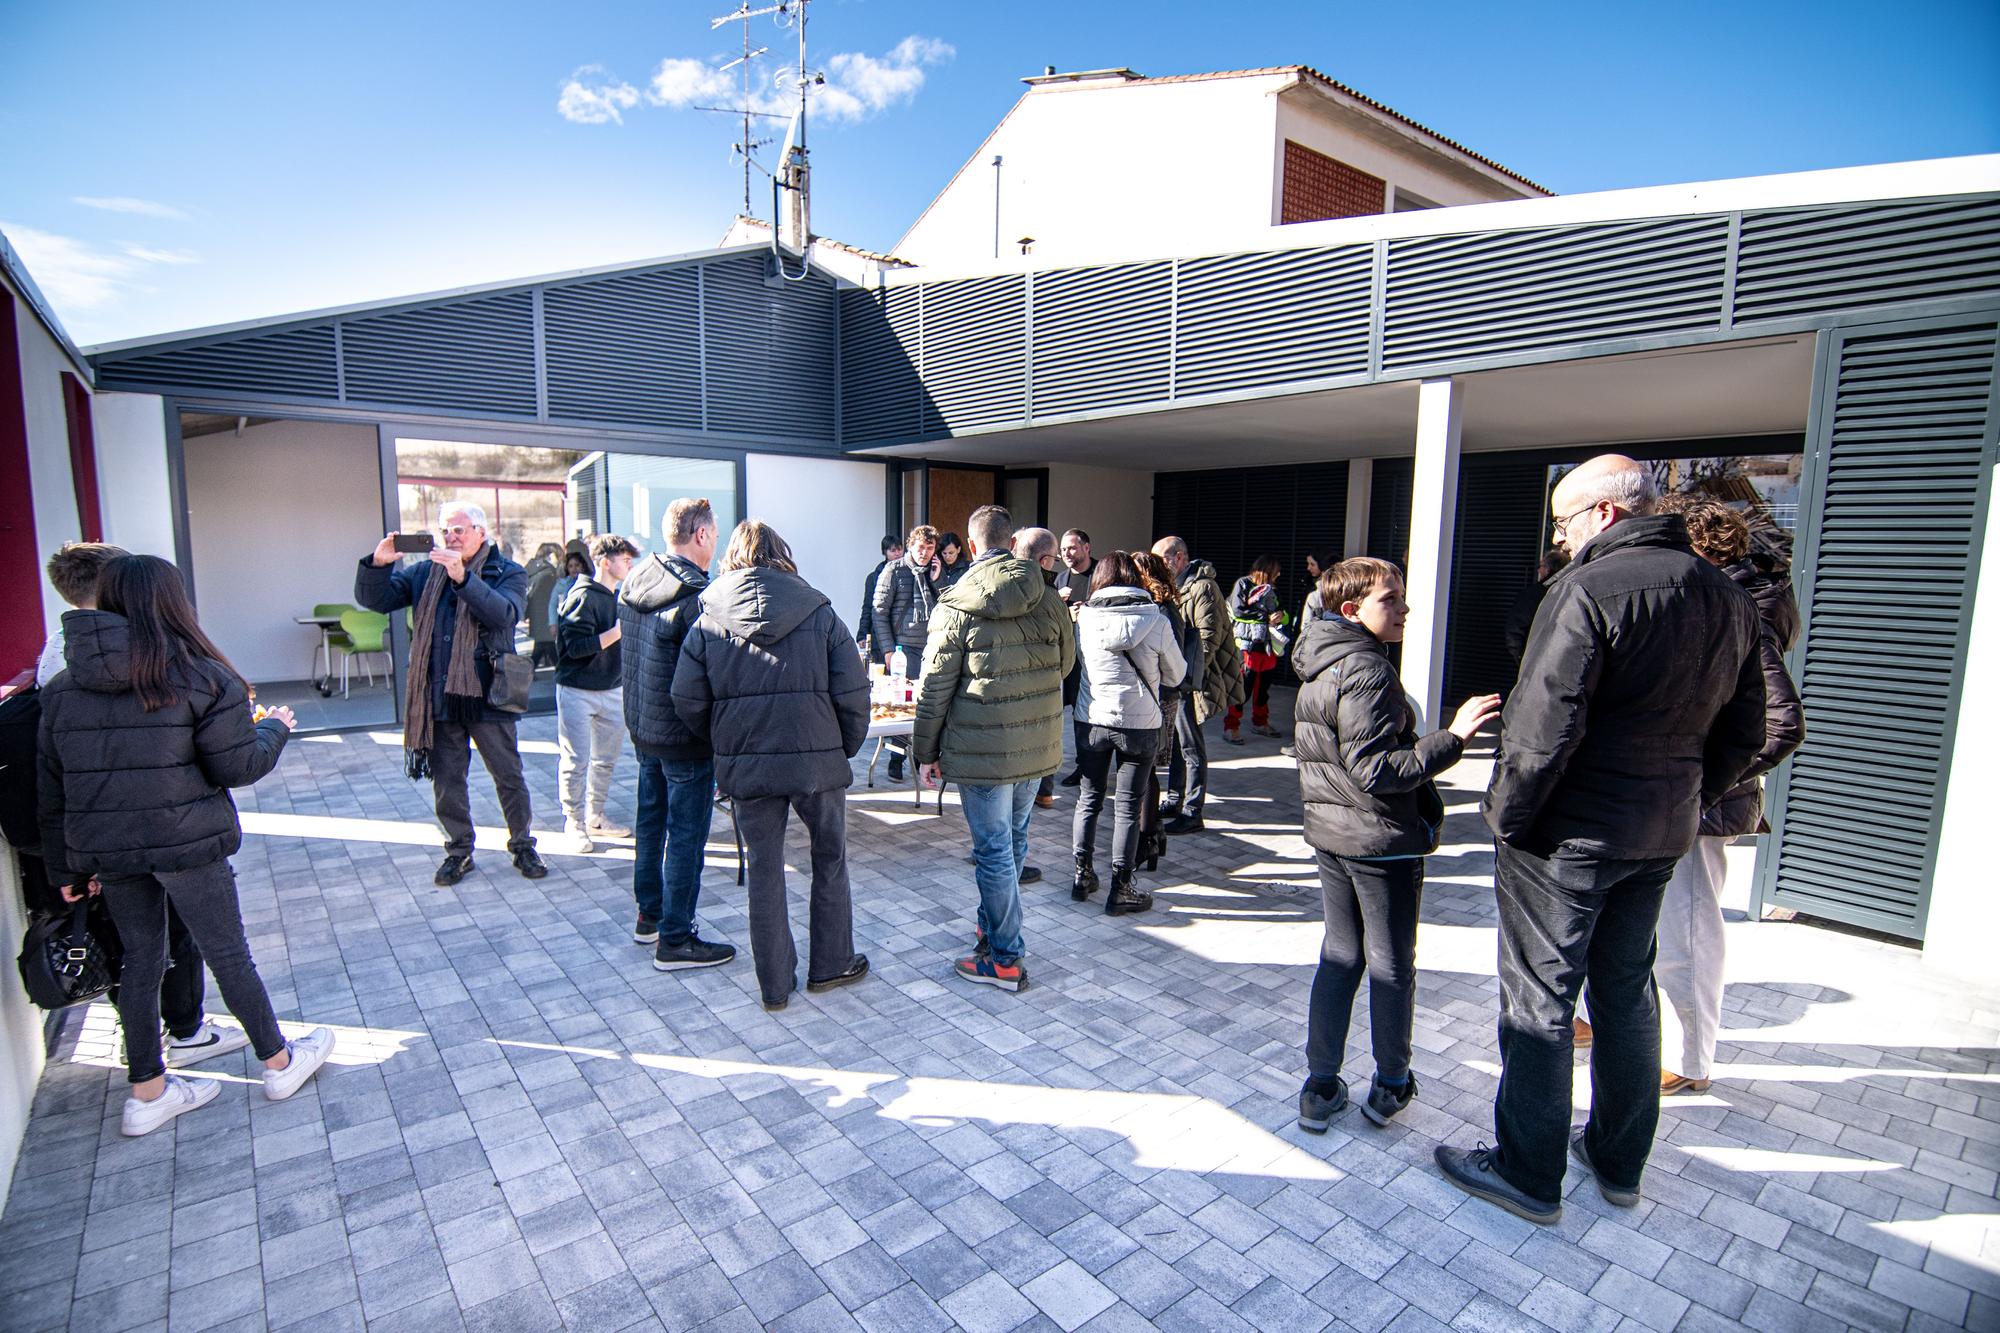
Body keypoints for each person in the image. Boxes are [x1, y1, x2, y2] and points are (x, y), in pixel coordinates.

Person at [1435, 454, 1765, 1226]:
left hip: (1567, 838)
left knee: (1540, 999)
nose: (1559, 537)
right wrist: (1685, 794)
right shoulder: (1727, 595)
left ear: (1606, 516)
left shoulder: (1585, 588)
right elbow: (1746, 731)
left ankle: (1527, 1169)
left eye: (1564, 521)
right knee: (1625, 992)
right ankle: (1617, 1161)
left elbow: (1541, 728)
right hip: (1659, 833)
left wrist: (1506, 817)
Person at [38, 554, 336, 1137]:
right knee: (228, 953)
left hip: (111, 851)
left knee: (141, 960)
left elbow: (52, 789)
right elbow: (238, 765)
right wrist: (274, 727)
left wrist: (64, 866)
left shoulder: (63, 687)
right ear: (170, 602)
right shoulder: (202, 676)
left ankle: (148, 1092)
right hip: (187, 844)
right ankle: (279, 1062)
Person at [1292, 557, 1500, 1133]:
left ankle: (1320, 1085)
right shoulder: (1367, 670)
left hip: (1335, 835)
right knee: (1387, 965)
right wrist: (1453, 738)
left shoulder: (1321, 661)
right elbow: (1376, 769)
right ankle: (1390, 1084)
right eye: (1392, 599)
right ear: (1351, 609)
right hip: (1378, 840)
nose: (1405, 608)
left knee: (1341, 957)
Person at [26, 543, 244, 1069]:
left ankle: (147, 1071)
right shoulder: (160, 664)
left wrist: (69, 862)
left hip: (108, 838)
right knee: (192, 948)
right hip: (171, 830)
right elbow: (216, 760)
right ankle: (205, 1039)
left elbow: (56, 777)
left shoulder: (61, 662)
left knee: (143, 953)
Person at [672, 521, 869, 1010]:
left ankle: (775, 985)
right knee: (830, 859)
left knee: (764, 870)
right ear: (784, 554)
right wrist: (841, 748)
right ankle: (832, 964)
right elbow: (854, 693)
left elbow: (686, 699)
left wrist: (726, 742)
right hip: (816, 762)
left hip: (750, 766)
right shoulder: (820, 612)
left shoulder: (707, 618)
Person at [1650, 494, 1804, 1095]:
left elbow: (1782, 723)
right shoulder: (1715, 600)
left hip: (1698, 803)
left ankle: (1691, 1060)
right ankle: (1596, 1017)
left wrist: (1701, 785)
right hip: (1674, 795)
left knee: (1687, 929)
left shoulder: (1738, 609)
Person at [913, 504, 1074, 992]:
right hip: (1034, 743)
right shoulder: (1049, 600)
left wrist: (924, 751)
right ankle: (993, 930)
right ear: (1009, 540)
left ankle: (1005, 957)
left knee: (994, 851)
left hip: (983, 749)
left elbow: (934, 687)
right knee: (1014, 841)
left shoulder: (956, 603)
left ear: (973, 543)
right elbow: (1066, 665)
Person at [358, 501, 546, 886]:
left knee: (508, 774)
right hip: (441, 693)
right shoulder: (426, 572)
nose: (451, 537)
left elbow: (505, 616)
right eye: (446, 530)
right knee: (447, 779)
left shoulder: (506, 571)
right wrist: (377, 565)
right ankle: (459, 851)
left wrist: (464, 580)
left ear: (481, 531)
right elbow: (376, 600)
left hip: (490, 691)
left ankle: (523, 844)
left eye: (459, 530)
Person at [619, 498, 734, 970]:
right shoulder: (694, 596)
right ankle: (677, 937)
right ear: (702, 535)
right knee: (686, 836)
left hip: (645, 728)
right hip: (684, 738)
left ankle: (650, 915)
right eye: (715, 533)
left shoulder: (636, 579)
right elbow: (708, 678)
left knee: (651, 825)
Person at [1070, 552, 1186, 915]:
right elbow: (1176, 675)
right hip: (1140, 723)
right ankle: (1121, 888)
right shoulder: (1156, 618)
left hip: (1091, 719)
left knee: (1088, 798)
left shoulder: (1083, 617)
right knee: (1127, 806)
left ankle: (1081, 875)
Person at [1150, 537, 1244, 834]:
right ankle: (1175, 799)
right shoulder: (1177, 585)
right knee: (1177, 741)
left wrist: (1179, 674)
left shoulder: (1203, 587)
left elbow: (1207, 638)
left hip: (1191, 679)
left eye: (1160, 559)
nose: (1156, 566)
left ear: (1178, 558)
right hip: (1179, 677)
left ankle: (1193, 810)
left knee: (1191, 745)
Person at [555, 534, 637, 852]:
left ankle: (595, 815)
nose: (630, 565)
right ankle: (573, 823)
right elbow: (574, 649)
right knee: (575, 760)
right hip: (578, 691)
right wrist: (615, 633)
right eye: (625, 559)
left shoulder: (619, 596)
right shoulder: (582, 597)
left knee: (605, 759)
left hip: (611, 689)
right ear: (606, 562)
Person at [1131, 550, 1198, 874]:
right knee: (1148, 769)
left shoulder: (1162, 611)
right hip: (1155, 694)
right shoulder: (1158, 607)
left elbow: (1171, 664)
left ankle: (1148, 838)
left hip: (1161, 695)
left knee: (1149, 768)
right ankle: (1152, 834)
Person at [873, 524, 941, 781]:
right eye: (920, 547)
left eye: (930, 547)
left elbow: (947, 606)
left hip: (932, 647)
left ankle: (923, 757)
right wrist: (888, 650)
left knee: (929, 706)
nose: (924, 553)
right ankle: (896, 759)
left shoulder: (936, 572)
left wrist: (937, 580)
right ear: (911, 545)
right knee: (903, 705)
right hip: (903, 648)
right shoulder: (894, 570)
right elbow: (879, 612)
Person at [1015, 526, 1066, 814]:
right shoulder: (1051, 598)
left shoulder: (990, 587)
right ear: (1045, 561)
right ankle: (1044, 793)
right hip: (1041, 696)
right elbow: (1067, 659)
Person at [1224, 554, 1290, 743]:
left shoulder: (1273, 589)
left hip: (1268, 645)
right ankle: (1231, 726)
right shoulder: (1243, 584)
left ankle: (1260, 722)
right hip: (1247, 645)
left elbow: (1284, 613)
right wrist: (1264, 618)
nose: (1279, 574)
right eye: (1276, 571)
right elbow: (1238, 611)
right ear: (1267, 571)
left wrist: (1281, 616)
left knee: (1264, 688)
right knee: (1243, 687)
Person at [1502, 546, 1571, 674]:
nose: (1539, 570)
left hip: (1534, 662)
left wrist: (1521, 660)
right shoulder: (1571, 592)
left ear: (1549, 569)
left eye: (1542, 566)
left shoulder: (1533, 595)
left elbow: (1514, 630)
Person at [858, 535, 904, 658]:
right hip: (879, 632)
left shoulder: (910, 573)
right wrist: (862, 634)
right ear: (885, 552)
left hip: (903, 631)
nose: (897, 554)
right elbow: (868, 607)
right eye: (893, 550)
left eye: (899, 549)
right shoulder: (874, 577)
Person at [525, 542, 563, 669]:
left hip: (538, 616)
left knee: (543, 645)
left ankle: (530, 671)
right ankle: (526, 672)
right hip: (546, 617)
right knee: (545, 645)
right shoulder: (549, 574)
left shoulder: (534, 570)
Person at [550, 548, 589, 632]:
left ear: (582, 566)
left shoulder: (588, 584)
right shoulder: (561, 585)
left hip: (583, 624)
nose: (574, 568)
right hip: (565, 624)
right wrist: (553, 623)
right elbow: (553, 605)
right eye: (570, 566)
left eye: (577, 565)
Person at [1055, 529, 1095, 606]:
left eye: (1072, 548)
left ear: (1086, 548)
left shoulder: (1103, 574)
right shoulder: (1060, 580)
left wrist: (1086, 610)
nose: (1066, 554)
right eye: (1063, 549)